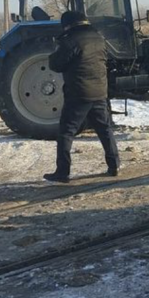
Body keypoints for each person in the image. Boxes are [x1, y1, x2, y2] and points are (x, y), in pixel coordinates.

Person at [43, 11, 119, 183]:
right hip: (99, 92)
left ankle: (63, 172)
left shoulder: (70, 40)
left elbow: (56, 64)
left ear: (68, 25)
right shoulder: (99, 38)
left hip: (79, 94)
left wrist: (55, 49)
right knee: (104, 129)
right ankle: (114, 165)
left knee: (66, 132)